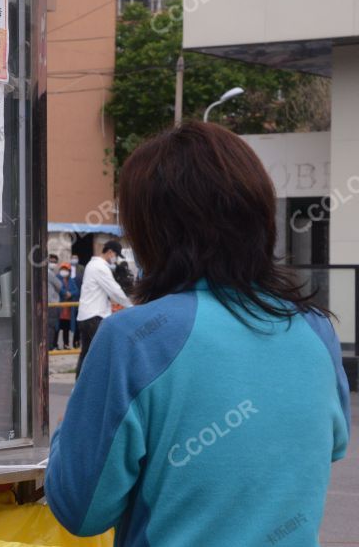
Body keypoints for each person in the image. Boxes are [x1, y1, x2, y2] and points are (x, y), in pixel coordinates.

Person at [46, 122, 350, 546]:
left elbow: (81, 508)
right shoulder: (316, 329)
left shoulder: (133, 340)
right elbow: (333, 445)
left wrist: (67, 431)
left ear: (152, 232)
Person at [75, 240, 132, 377]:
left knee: (87, 353)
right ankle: (99, 386)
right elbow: (114, 290)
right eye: (116, 255)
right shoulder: (100, 267)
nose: (115, 259)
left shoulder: (92, 265)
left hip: (85, 316)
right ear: (110, 252)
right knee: (103, 353)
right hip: (95, 316)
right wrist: (131, 306)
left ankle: (79, 385)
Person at [56, 262, 79, 349]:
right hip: (59, 307)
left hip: (68, 309)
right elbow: (58, 288)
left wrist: (71, 294)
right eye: (63, 269)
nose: (64, 271)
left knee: (66, 327)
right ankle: (55, 344)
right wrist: (65, 293)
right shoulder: (57, 279)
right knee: (57, 327)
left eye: (66, 270)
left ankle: (66, 344)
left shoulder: (71, 281)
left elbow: (76, 291)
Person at [47, 254, 61, 351]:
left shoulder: (51, 273)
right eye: (51, 261)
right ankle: (50, 346)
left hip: (50, 302)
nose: (53, 264)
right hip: (51, 303)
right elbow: (59, 285)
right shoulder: (49, 273)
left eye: (54, 262)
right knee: (51, 325)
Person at [70, 254, 84, 348]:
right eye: (73, 258)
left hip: (80, 297)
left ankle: (77, 341)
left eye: (76, 257)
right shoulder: (66, 268)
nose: (74, 259)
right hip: (69, 298)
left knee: (78, 320)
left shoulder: (82, 268)